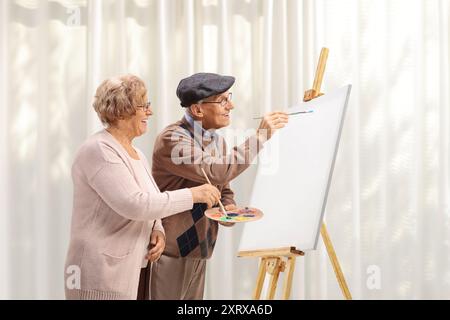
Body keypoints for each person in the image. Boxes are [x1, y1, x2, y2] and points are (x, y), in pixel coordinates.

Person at [64, 74, 220, 300]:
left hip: (129, 270)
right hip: (99, 274)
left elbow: (151, 200)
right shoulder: (99, 150)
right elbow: (134, 204)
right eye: (144, 105)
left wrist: (158, 230)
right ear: (121, 110)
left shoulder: (137, 154)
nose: (150, 112)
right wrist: (193, 195)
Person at [138, 72, 288, 299]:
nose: (231, 105)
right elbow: (216, 170)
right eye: (223, 100)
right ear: (198, 110)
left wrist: (229, 208)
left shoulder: (216, 140)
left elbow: (223, 185)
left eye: (229, 98)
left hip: (200, 248)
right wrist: (260, 137)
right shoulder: (173, 139)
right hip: (170, 250)